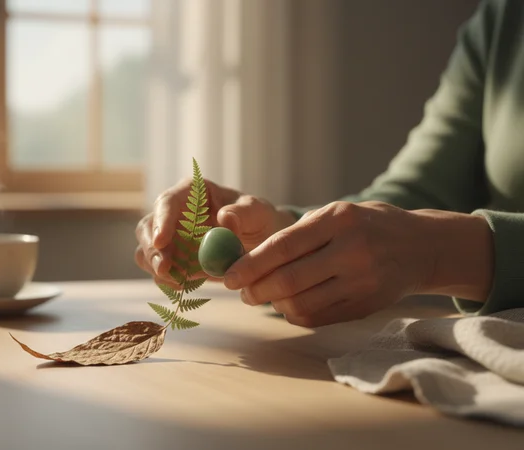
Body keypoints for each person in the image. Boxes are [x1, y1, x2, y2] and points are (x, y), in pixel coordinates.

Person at [134, 0, 524, 328]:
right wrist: (281, 232)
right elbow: (414, 196)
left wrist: (437, 253)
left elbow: (412, 237)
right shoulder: (505, 18)